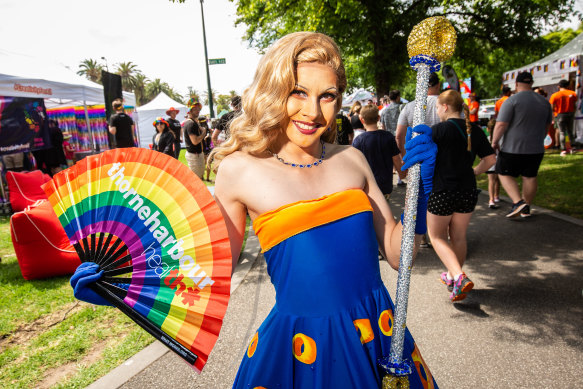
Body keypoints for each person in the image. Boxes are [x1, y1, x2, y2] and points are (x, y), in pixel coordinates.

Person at [210, 32, 438, 388]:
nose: (313, 112)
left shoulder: (352, 159)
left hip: (378, 335)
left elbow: (398, 255)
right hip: (303, 354)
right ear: (273, 90)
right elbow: (212, 271)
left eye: (327, 96)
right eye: (298, 92)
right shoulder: (239, 170)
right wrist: (120, 286)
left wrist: (422, 193)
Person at [429, 90, 495, 301]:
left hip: (442, 190)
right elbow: (490, 159)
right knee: (458, 237)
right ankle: (452, 277)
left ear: (445, 107)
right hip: (467, 190)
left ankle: (458, 276)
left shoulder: (438, 130)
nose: (437, 111)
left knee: (437, 237)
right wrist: (475, 171)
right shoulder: (474, 130)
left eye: (438, 107)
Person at [492, 71, 553, 218]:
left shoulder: (511, 101)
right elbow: (547, 126)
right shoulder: (545, 102)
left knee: (503, 172)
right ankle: (526, 208)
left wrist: (494, 142)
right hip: (536, 148)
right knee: (530, 176)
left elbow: (501, 124)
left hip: (512, 147)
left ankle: (518, 202)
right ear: (531, 83)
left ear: (516, 84)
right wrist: (540, 138)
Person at [396, 72, 441, 247]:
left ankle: (421, 237)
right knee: (438, 195)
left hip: (417, 159)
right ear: (437, 85)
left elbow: (399, 136)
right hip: (442, 159)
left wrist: (403, 157)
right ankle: (436, 234)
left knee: (419, 196)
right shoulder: (446, 105)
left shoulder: (410, 107)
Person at [353, 104, 404, 200]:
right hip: (385, 185)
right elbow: (396, 159)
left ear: (362, 120)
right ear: (378, 118)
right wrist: (402, 174)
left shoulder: (358, 141)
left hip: (367, 186)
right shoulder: (388, 137)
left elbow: (356, 165)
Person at [549, 79, 577, 156]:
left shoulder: (555, 95)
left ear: (559, 86)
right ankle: (573, 147)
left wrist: (554, 115)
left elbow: (551, 107)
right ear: (567, 86)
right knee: (570, 131)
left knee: (562, 132)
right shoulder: (573, 93)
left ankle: (563, 149)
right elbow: (575, 105)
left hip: (560, 114)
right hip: (570, 114)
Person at [182, 98, 206, 179]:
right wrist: (203, 133)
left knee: (198, 179)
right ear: (190, 111)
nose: (198, 111)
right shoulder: (190, 124)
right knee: (196, 180)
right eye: (195, 109)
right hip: (194, 156)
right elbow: (195, 141)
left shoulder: (193, 123)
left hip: (197, 154)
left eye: (198, 109)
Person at [199, 115, 213, 181]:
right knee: (208, 163)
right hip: (207, 147)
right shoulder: (206, 128)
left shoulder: (199, 128)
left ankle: (202, 177)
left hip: (203, 148)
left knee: (204, 163)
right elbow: (208, 136)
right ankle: (207, 178)